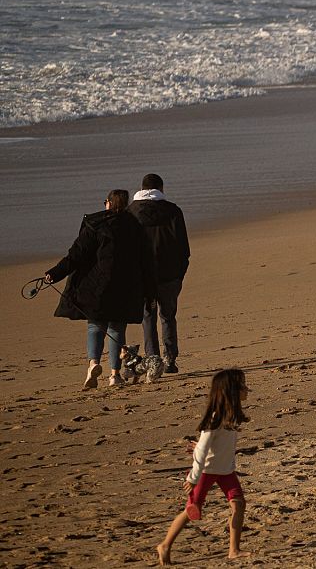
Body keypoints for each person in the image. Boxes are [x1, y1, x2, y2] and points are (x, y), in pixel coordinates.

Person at [42, 189, 155, 390]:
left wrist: (54, 274)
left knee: (95, 326)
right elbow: (145, 260)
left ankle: (93, 364)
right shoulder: (135, 227)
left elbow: (76, 255)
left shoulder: (96, 224)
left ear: (109, 204)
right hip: (126, 287)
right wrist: (149, 289)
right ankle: (115, 375)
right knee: (117, 329)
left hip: (97, 286)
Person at [157, 369, 251, 563]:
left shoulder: (231, 416)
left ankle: (234, 550)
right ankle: (165, 545)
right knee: (192, 510)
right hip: (206, 472)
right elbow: (202, 451)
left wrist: (201, 446)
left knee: (239, 505)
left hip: (226, 471)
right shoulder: (215, 418)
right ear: (231, 391)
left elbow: (210, 445)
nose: (247, 389)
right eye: (242, 386)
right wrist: (193, 477)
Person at [131, 173, 190, 378]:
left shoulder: (131, 212)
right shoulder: (173, 211)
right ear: (161, 189)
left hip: (142, 276)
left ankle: (152, 358)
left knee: (148, 316)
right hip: (169, 273)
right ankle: (170, 358)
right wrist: (180, 271)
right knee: (168, 316)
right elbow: (183, 246)